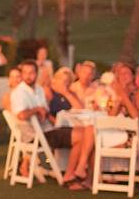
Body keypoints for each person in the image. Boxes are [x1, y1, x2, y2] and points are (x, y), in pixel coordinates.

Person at [11, 60, 95, 190]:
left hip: (47, 128)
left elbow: (45, 111)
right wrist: (37, 109)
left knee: (87, 131)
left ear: (36, 73)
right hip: (36, 135)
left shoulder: (38, 89)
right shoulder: (19, 93)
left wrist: (43, 111)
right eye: (25, 73)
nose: (28, 76)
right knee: (83, 135)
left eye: (32, 73)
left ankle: (74, 172)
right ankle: (72, 174)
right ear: (21, 74)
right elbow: (21, 115)